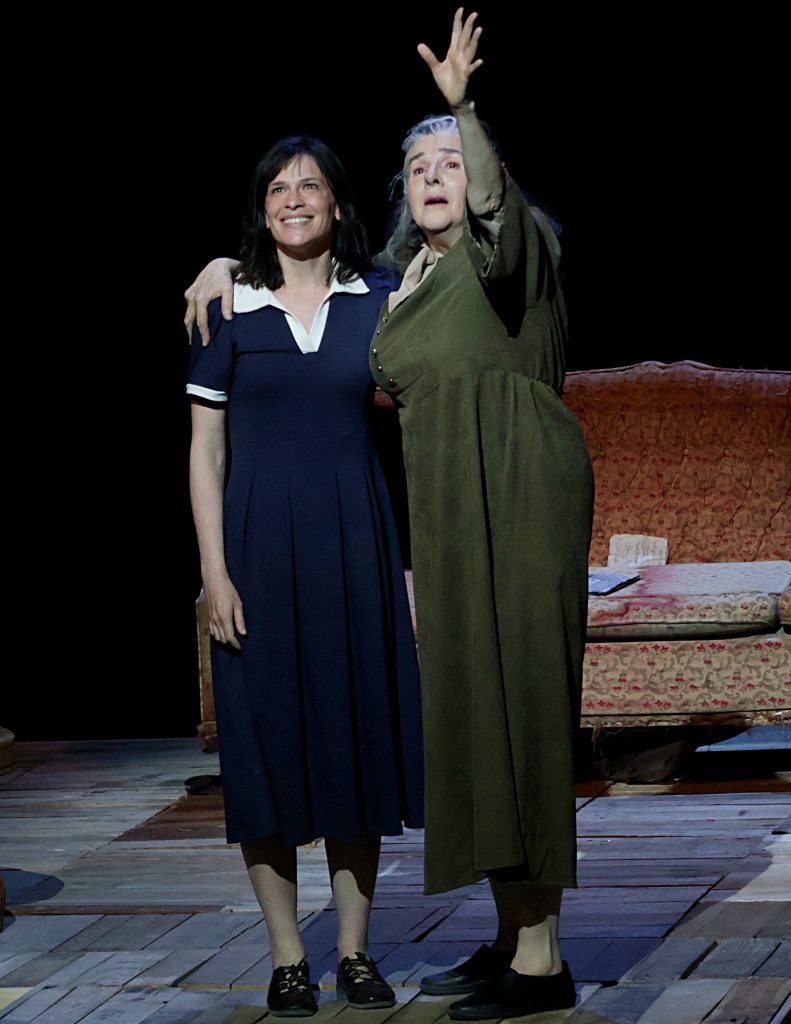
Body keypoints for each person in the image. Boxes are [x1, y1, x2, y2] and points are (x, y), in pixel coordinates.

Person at [186, 11, 593, 1019]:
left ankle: (540, 958)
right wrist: (220, 267)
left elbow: (495, 215)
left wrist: (462, 107)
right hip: (442, 517)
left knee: (519, 710)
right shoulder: (404, 284)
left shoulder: (506, 251)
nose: (433, 174)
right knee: (471, 719)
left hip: (512, 494)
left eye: (450, 161)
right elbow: (244, 375)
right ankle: (511, 936)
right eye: (416, 165)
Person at [187, 134, 424, 1017]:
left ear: (337, 204)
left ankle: (355, 952)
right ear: (261, 209)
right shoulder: (227, 306)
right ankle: (289, 957)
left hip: (355, 548)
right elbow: (205, 451)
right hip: (254, 553)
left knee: (353, 744)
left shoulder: (380, 300)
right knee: (265, 754)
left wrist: (410, 568)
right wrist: (214, 572)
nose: (293, 200)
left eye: (310, 186)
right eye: (277, 189)